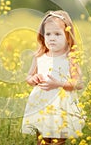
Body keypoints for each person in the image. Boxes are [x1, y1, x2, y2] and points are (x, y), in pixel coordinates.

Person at [21, 10, 85, 145]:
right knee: (42, 140)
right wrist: (33, 79)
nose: (52, 38)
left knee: (58, 141)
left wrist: (59, 84)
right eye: (48, 34)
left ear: (68, 36)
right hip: (41, 104)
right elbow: (29, 76)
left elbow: (79, 83)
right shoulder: (40, 56)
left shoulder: (70, 58)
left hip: (61, 107)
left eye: (57, 34)